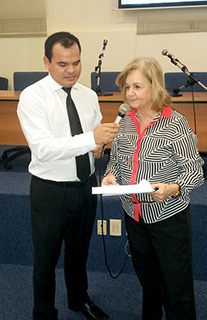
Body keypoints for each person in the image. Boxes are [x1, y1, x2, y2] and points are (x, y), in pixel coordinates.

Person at [17, 31, 120, 320]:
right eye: (63, 64)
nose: (71, 70)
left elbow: (95, 136)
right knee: (46, 259)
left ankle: (79, 300)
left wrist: (99, 145)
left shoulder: (88, 96)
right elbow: (43, 148)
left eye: (76, 62)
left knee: (79, 252)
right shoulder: (33, 97)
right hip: (50, 190)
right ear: (47, 62)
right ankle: (44, 311)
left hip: (84, 186)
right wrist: (91, 138)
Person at [101, 57, 204, 320]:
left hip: (167, 217)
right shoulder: (124, 121)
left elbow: (195, 171)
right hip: (134, 215)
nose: (130, 93)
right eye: (126, 87)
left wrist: (173, 188)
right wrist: (111, 174)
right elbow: (116, 159)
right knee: (148, 283)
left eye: (137, 86)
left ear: (154, 86)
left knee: (176, 287)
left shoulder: (174, 124)